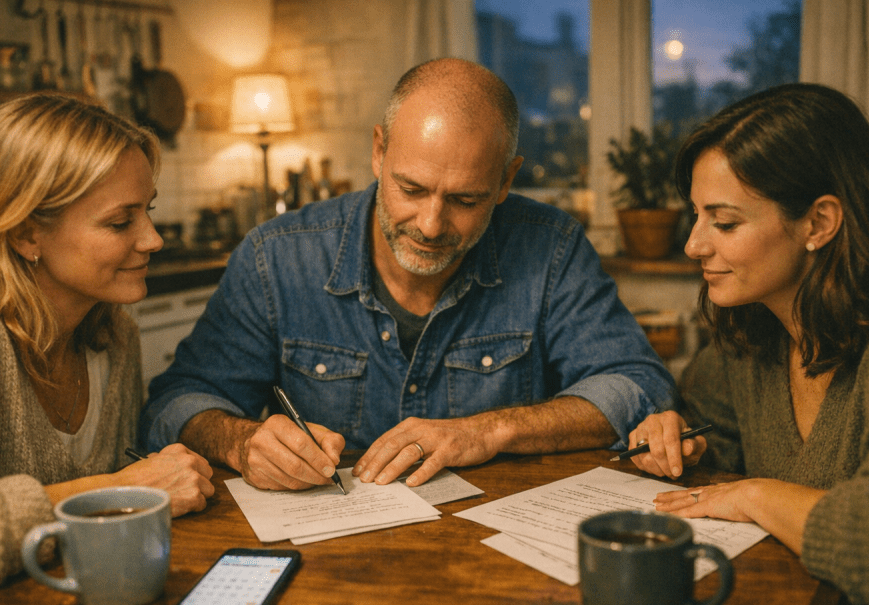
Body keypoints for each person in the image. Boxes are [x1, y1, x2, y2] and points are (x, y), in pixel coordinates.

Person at [141, 58, 674, 490]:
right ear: (379, 152)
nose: (431, 224)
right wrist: (241, 442)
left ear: (506, 180)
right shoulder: (275, 256)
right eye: (411, 189)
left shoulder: (551, 247)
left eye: (466, 200)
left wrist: (489, 431)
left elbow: (639, 386)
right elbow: (175, 402)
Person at [627, 83, 869, 605]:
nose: (694, 244)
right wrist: (676, 436)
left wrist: (756, 495)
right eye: (696, 215)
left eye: (724, 222)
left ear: (819, 222)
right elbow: (706, 431)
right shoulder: (755, 332)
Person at [0, 93, 216, 605]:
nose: (153, 240)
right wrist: (113, 491)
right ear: (26, 233)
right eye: (120, 222)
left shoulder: (113, 333)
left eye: (148, 211)